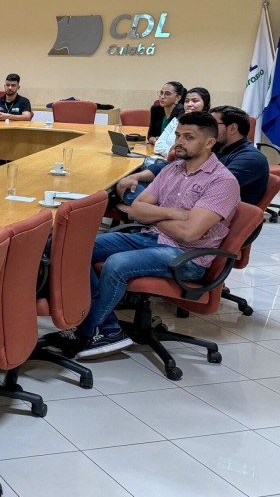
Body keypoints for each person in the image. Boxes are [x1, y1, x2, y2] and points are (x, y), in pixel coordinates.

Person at [55, 112, 239, 360]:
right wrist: (173, 213)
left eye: (188, 137)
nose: (179, 142)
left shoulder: (222, 182)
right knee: (73, 247)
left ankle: (88, 330)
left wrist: (154, 216)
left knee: (117, 264)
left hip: (188, 256)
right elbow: (136, 210)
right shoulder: (173, 169)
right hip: (151, 237)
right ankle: (108, 328)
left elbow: (190, 233)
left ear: (209, 143)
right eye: (178, 135)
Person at [116, 87, 211, 204]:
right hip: (166, 166)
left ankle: (145, 209)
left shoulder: (207, 129)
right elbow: (159, 145)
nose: (190, 104)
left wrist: (173, 152)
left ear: (205, 105)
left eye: (195, 101)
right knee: (126, 182)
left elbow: (175, 159)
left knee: (133, 192)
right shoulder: (177, 120)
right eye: (187, 101)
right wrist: (172, 152)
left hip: (180, 181)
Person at [210, 105, 270, 205]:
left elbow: (214, 186)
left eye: (212, 125)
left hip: (227, 211)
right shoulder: (218, 148)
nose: (207, 130)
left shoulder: (251, 158)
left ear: (233, 128)